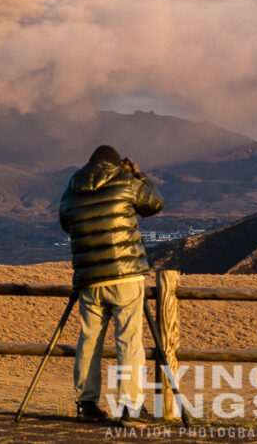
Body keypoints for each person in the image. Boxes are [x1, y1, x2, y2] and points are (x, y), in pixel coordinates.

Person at [59, 144, 165, 422]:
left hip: (89, 279)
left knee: (89, 340)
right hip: (125, 274)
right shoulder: (125, 181)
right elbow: (154, 204)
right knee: (128, 340)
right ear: (117, 164)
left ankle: (87, 403)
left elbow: (65, 221)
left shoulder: (71, 188)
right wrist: (138, 175)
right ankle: (129, 406)